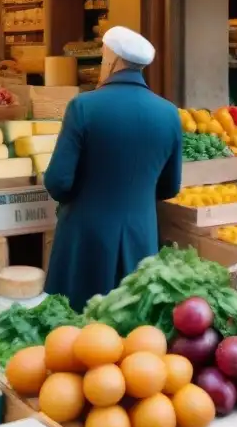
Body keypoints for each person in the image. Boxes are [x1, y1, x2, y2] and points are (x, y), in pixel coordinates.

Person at [43, 26, 182, 311]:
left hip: (86, 237)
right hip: (141, 236)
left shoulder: (84, 106)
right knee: (131, 324)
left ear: (111, 59)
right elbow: (170, 187)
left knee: (79, 325)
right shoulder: (169, 113)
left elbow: (58, 182)